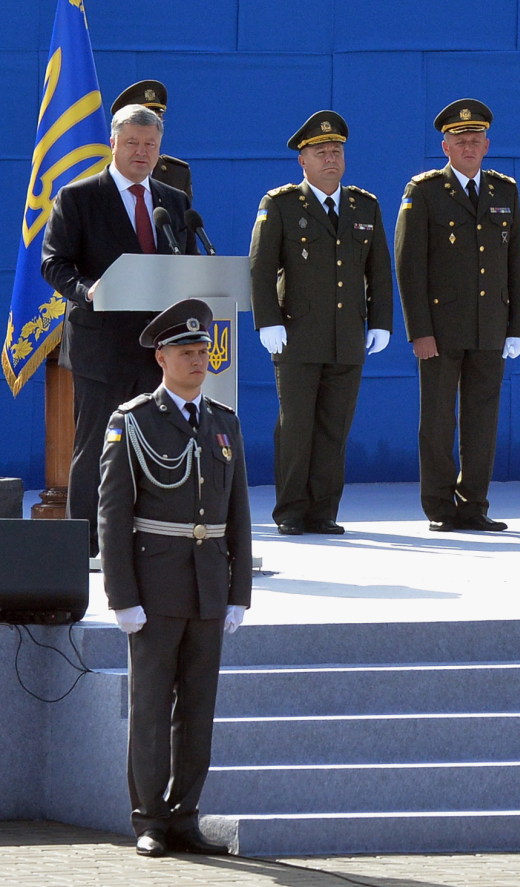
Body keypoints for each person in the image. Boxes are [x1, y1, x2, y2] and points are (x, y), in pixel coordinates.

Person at [98, 298, 251, 857]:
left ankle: (186, 814)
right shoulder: (131, 421)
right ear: (161, 357)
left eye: (204, 351)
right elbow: (113, 515)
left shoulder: (223, 422)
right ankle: (149, 819)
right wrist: (121, 596)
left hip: (208, 588)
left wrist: (239, 593)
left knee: (198, 709)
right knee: (151, 706)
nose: (199, 361)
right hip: (155, 589)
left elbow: (238, 514)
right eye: (187, 352)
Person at [41, 104, 196, 554]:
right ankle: (87, 543)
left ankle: (154, 536)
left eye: (150, 145)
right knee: (97, 447)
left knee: (160, 443)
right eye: (132, 143)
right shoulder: (79, 196)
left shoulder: (175, 201)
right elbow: (54, 262)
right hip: (101, 346)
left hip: (160, 346)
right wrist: (87, 290)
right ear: (113, 143)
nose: (142, 152)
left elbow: (187, 267)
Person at [249, 110, 393, 536]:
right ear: (303, 160)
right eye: (321, 152)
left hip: (347, 335)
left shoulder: (364, 205)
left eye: (336, 151)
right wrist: (267, 322)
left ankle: (324, 509)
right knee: (296, 426)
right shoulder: (280, 205)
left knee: (334, 428)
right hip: (297, 334)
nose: (330, 158)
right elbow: (261, 268)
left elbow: (379, 270)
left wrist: (380, 321)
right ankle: (292, 509)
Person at [395, 99, 520, 533]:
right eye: (460, 140)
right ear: (445, 146)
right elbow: (409, 265)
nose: (469, 147)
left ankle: (475, 504)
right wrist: (419, 330)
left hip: (490, 325)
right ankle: (439, 505)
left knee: (482, 421)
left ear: (487, 145)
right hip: (441, 328)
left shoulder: (504, 190)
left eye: (476, 140)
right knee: (437, 420)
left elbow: (516, 261)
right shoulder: (426, 190)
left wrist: (519, 327)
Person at [110, 80, 192, 197]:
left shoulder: (177, 174)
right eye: (138, 120)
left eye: (156, 120)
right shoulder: (101, 174)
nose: (148, 127)